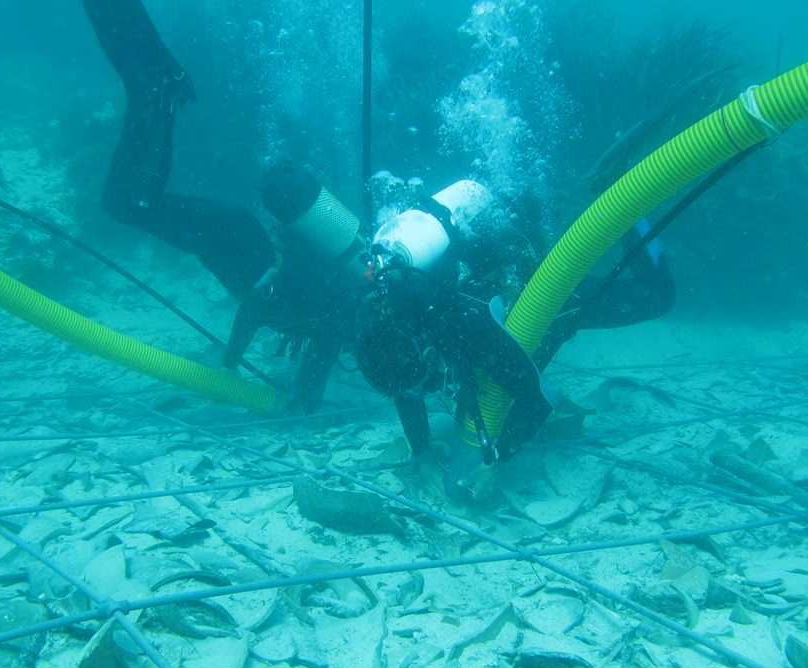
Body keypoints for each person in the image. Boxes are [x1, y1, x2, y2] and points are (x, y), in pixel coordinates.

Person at [81, 0, 365, 413]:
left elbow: (255, 311)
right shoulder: (333, 319)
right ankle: (159, 90)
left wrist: (231, 365)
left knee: (126, 204)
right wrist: (296, 402)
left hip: (238, 237)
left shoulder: (326, 304)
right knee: (128, 204)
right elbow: (268, 324)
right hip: (234, 240)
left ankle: (154, 87)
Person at [353, 194, 675, 467]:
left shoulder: (469, 330)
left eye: (424, 386)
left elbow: (537, 399)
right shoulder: (386, 323)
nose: (423, 393)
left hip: (528, 290)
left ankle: (631, 211)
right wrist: (421, 450)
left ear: (428, 351)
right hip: (477, 268)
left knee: (656, 299)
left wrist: (500, 458)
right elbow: (404, 389)